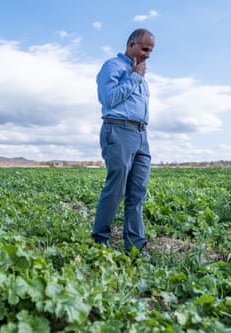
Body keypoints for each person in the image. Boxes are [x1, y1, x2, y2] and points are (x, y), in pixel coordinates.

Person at [92, 28, 155, 256]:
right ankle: (100, 241)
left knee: (137, 192)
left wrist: (138, 76)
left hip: (141, 134)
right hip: (118, 129)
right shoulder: (113, 66)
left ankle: (136, 247)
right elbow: (109, 98)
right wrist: (135, 76)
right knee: (116, 188)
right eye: (144, 49)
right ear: (131, 45)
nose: (148, 54)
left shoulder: (140, 73)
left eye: (151, 50)